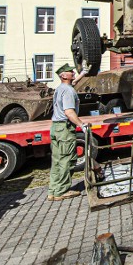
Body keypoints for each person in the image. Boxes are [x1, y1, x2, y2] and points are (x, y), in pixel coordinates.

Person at [47, 63, 86, 202]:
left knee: (57, 160)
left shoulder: (60, 88)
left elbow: (73, 82)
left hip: (56, 128)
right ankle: (62, 191)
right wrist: (82, 125)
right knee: (66, 160)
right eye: (71, 71)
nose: (73, 72)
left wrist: (84, 73)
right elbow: (69, 112)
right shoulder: (68, 91)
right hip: (65, 129)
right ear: (64, 75)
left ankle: (53, 190)